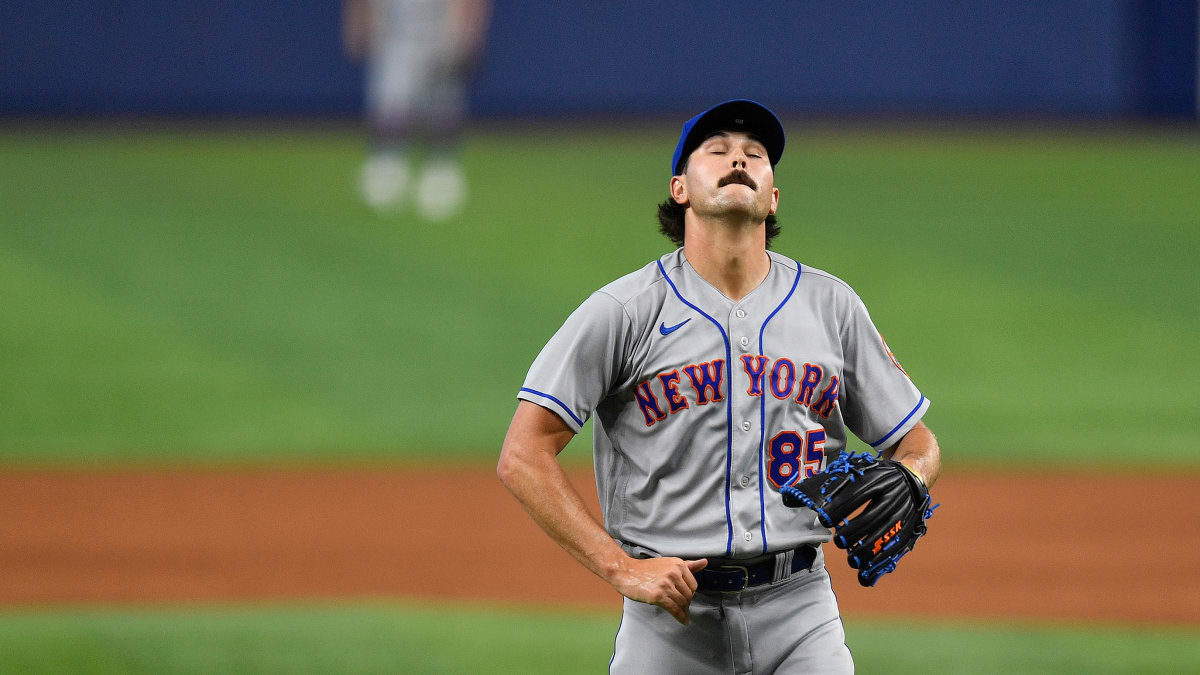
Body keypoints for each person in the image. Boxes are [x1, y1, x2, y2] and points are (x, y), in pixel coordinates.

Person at [497, 99, 941, 673]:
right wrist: (618, 566)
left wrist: (910, 476)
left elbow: (918, 442)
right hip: (670, 622)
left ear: (772, 197)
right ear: (680, 188)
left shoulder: (832, 305)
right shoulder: (624, 311)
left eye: (755, 154)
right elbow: (522, 455)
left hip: (802, 608)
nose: (739, 159)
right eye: (718, 150)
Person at [342, 0, 490, 219]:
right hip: (396, 38)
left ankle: (440, 177)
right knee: (391, 107)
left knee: (442, 109)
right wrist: (357, 22)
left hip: (441, 39)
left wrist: (468, 35)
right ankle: (388, 174)